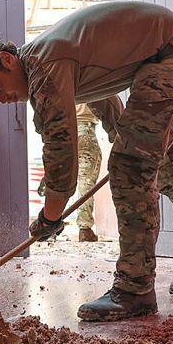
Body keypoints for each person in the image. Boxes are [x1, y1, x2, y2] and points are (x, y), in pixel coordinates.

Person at [0, 1, 173, 321]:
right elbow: (100, 91)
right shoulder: (50, 59)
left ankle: (134, 288)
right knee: (172, 168)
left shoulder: (42, 66)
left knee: (129, 168)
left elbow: (61, 147)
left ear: (7, 60)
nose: (1, 98)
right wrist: (118, 133)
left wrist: (50, 217)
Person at [36, 99, 124, 242]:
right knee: (86, 182)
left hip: (63, 132)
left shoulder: (64, 86)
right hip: (86, 131)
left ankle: (49, 224)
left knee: (57, 179)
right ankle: (85, 229)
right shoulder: (91, 84)